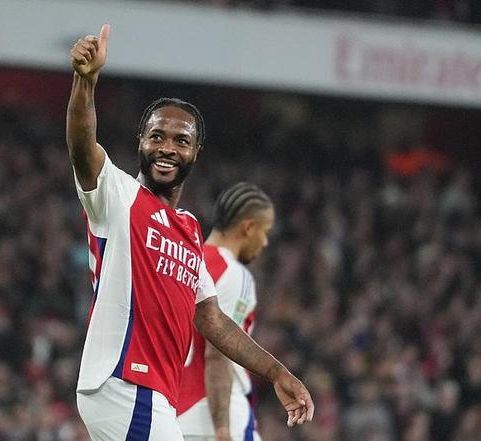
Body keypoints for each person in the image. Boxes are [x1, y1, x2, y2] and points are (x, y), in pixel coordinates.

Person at [67, 24, 314, 440]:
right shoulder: (118, 195)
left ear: (195, 152)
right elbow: (82, 146)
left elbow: (212, 319)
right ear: (141, 141)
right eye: (156, 136)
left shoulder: (188, 229)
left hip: (155, 394)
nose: (167, 147)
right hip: (125, 381)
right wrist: (85, 82)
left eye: (180, 140)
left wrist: (276, 372)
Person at [178, 182, 275, 441]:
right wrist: (223, 429)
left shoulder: (184, 261)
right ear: (248, 227)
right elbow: (219, 352)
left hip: (174, 413)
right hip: (216, 417)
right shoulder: (234, 274)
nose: (265, 242)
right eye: (265, 232)